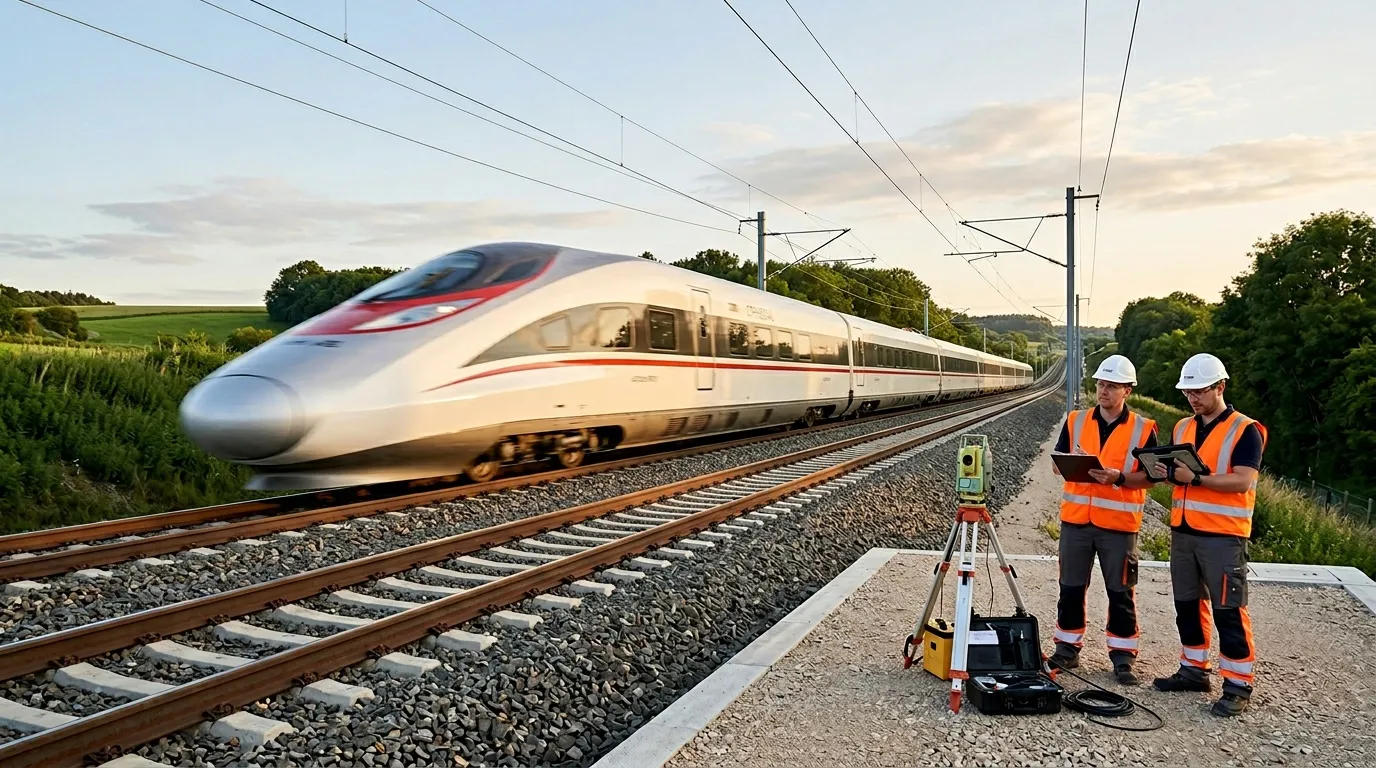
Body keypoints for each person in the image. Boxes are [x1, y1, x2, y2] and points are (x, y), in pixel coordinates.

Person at [1148, 353, 1267, 717]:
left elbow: (1243, 481)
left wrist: (1196, 479)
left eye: (1199, 391)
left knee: (1228, 610)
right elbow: (1178, 472)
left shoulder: (1246, 429)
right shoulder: (1183, 427)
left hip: (1223, 536)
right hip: (1184, 532)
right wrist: (1166, 473)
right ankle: (1193, 669)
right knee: (1187, 605)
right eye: (1188, 392)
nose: (1193, 398)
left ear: (1220, 387)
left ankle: (1238, 684)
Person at [1049, 354, 1158, 686]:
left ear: (1127, 390)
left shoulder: (1144, 429)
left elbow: (1152, 478)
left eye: (1111, 385)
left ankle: (1123, 656)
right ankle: (1067, 647)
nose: (1103, 391)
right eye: (1100, 384)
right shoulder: (1076, 420)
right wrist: (1074, 463)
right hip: (1076, 522)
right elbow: (1056, 463)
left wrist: (1119, 477)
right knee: (1070, 588)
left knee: (1121, 592)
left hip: (1119, 526)